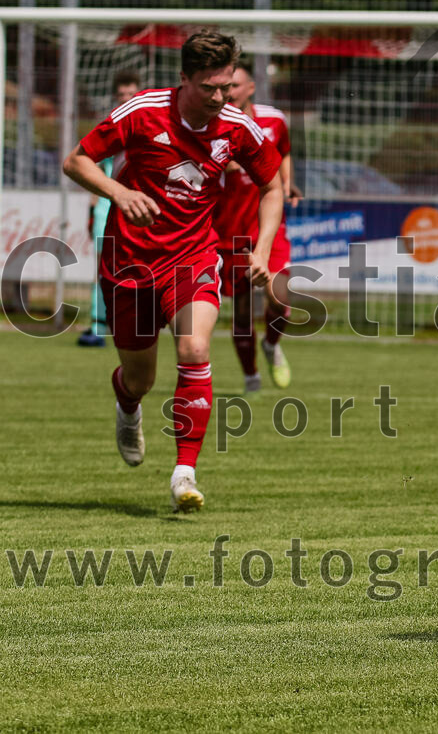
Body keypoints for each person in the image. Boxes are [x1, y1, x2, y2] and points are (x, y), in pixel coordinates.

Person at [62, 31, 283, 513]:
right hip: (130, 261)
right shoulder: (143, 111)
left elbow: (272, 186)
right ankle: (127, 404)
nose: (220, 98)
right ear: (184, 79)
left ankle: (185, 472)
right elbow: (76, 161)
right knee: (140, 378)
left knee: (195, 348)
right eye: (209, 88)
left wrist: (262, 249)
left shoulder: (237, 127)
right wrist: (120, 194)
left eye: (226, 87)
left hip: (193, 256)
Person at [212, 64, 300, 393]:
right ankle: (251, 377)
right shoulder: (212, 126)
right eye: (225, 86)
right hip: (230, 234)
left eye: (235, 85)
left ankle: (271, 344)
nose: (229, 92)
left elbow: (284, 152)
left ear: (250, 88)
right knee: (242, 312)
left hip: (268, 230)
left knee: (280, 295)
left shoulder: (274, 120)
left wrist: (286, 182)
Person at [78, 70, 140, 347]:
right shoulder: (110, 127)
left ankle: (130, 324)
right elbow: (93, 171)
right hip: (107, 207)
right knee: (103, 268)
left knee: (137, 270)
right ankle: (98, 325)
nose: (126, 98)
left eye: (131, 93)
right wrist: (92, 212)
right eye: (122, 94)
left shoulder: (147, 125)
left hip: (137, 208)